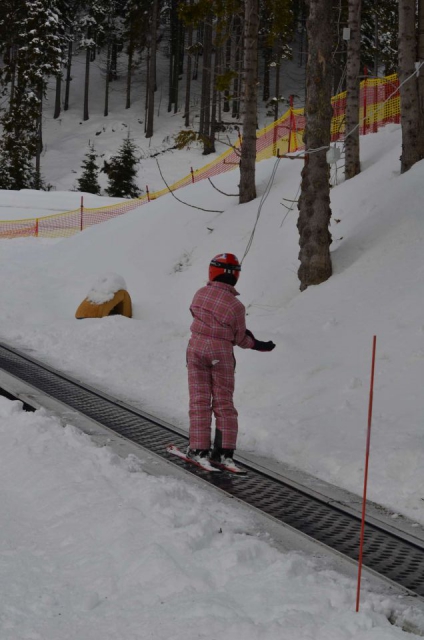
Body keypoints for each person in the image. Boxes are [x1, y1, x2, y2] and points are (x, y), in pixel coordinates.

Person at [186, 253, 276, 467]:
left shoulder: (200, 294)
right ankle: (224, 451)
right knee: (224, 402)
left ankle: (199, 449)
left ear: (212, 271)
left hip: (196, 349)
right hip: (221, 354)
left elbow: (195, 314)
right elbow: (239, 338)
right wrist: (258, 344)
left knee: (199, 400)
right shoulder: (236, 307)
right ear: (235, 276)